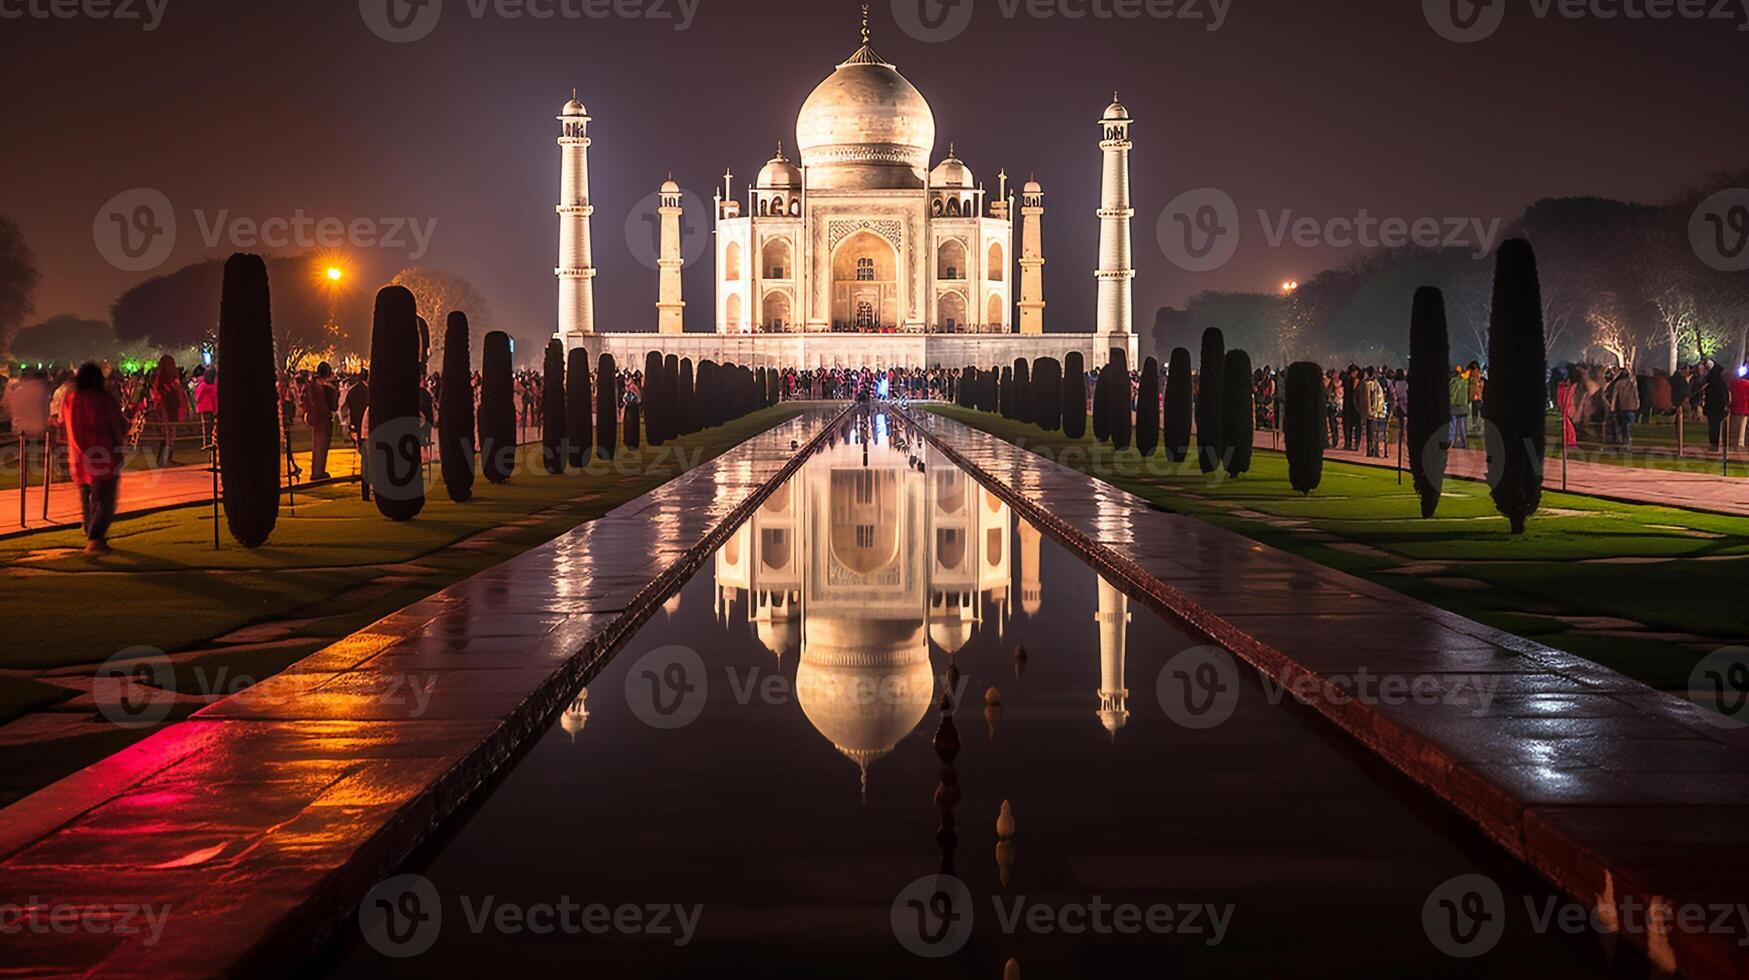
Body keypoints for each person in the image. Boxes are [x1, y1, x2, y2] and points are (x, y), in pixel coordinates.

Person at [64, 363, 127, 555]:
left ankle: (93, 535)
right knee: (105, 501)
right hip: (103, 456)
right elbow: (116, 426)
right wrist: (119, 448)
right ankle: (95, 538)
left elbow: (63, 424)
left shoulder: (70, 400)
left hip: (78, 457)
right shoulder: (104, 400)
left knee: (87, 498)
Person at [302, 362, 339, 480]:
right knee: (322, 446)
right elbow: (334, 406)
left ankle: (316, 470)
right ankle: (319, 471)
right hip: (323, 417)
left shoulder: (311, 384)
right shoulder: (327, 387)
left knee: (316, 444)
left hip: (313, 417)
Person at [1604, 367, 1640, 449]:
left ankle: (1626, 442)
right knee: (1628, 426)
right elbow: (1636, 394)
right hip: (1632, 407)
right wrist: (1637, 405)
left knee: (1624, 427)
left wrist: (1612, 408)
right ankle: (1627, 442)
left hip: (1623, 407)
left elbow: (1614, 397)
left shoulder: (1619, 384)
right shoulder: (1632, 383)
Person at [1703, 361, 1729, 452]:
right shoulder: (1719, 381)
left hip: (1714, 406)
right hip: (1716, 406)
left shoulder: (1712, 380)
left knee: (1713, 426)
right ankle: (1714, 443)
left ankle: (1714, 443)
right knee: (1715, 426)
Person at [194, 366, 218, 449]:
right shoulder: (204, 385)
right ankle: (206, 443)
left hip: (210, 407)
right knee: (207, 426)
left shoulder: (211, 385)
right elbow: (198, 396)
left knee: (210, 426)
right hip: (205, 408)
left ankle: (210, 443)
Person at [1448, 365, 1470, 450]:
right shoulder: (1462, 380)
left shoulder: (1455, 381)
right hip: (1459, 405)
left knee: (1455, 427)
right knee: (1460, 427)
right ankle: (1460, 444)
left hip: (1456, 405)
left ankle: (1454, 443)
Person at [1732, 364, 1749, 450]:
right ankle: (1740, 444)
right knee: (1742, 427)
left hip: (1735, 408)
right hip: (1745, 409)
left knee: (1735, 427)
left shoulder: (1735, 384)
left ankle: (1734, 443)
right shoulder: (1747, 385)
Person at [1466, 361, 1485, 436]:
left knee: (1475, 411)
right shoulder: (1474, 374)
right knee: (1475, 411)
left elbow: (1479, 385)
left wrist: (1477, 394)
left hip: (1476, 396)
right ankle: (1476, 426)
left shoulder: (1474, 374)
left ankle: (1476, 426)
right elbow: (1479, 385)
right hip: (1475, 396)